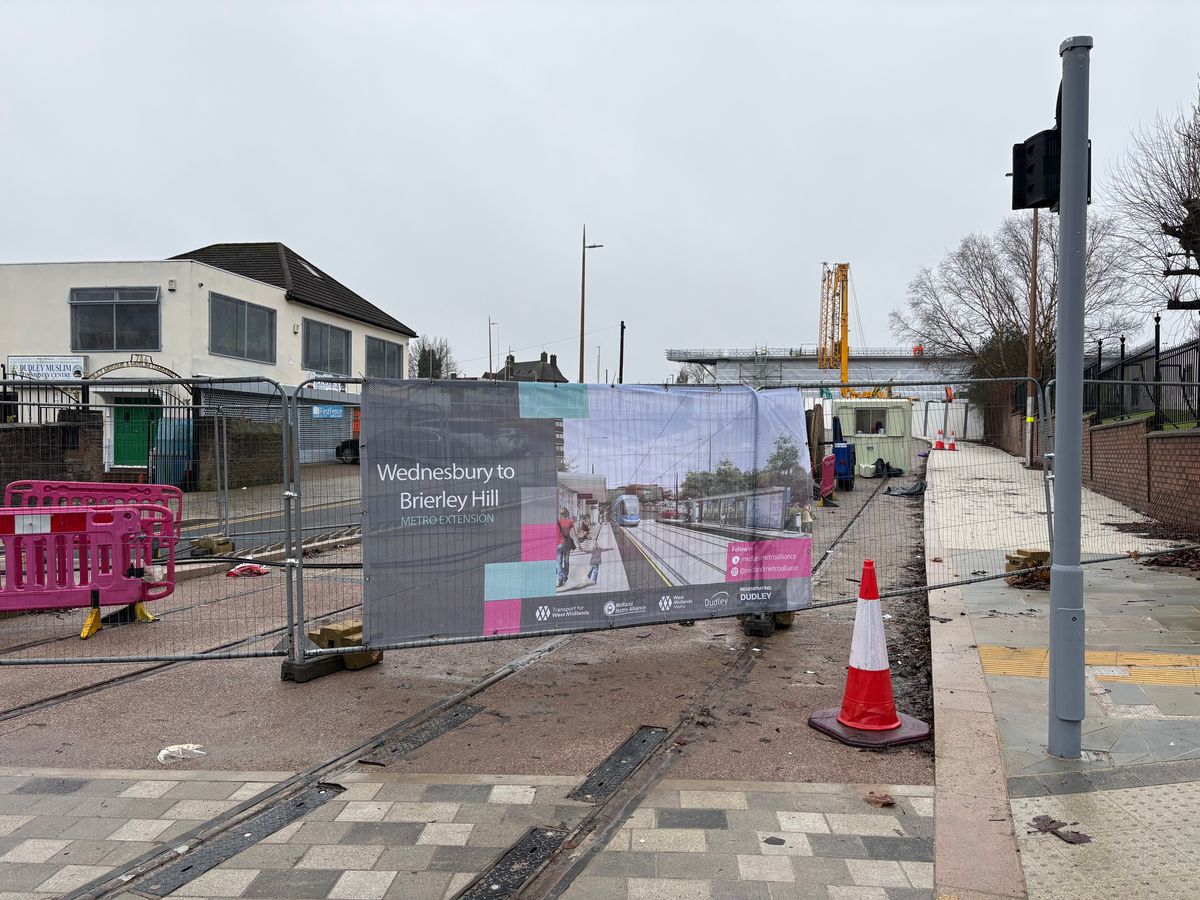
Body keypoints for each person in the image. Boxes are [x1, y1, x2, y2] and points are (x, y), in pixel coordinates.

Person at [556, 507, 579, 587]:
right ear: (567, 513)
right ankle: (565, 576)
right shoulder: (570, 522)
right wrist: (579, 544)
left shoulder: (558, 522)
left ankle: (560, 576)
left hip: (558, 544)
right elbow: (574, 534)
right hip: (567, 543)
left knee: (558, 562)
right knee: (566, 561)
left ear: (561, 514)